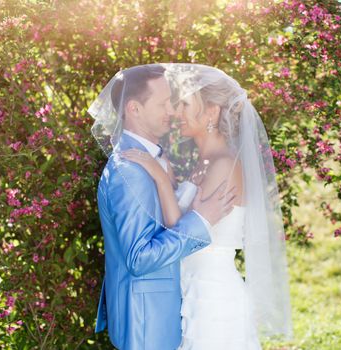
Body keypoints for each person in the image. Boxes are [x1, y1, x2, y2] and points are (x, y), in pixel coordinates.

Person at [122, 64, 293, 349]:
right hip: (194, 290)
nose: (177, 113)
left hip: (214, 298)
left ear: (212, 112)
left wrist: (160, 178)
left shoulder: (224, 164)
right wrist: (169, 180)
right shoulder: (205, 162)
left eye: (186, 104)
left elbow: (187, 233)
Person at [87, 64, 237, 350]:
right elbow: (139, 258)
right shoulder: (130, 170)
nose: (172, 111)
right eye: (163, 103)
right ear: (135, 109)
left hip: (165, 312)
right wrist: (201, 221)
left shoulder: (151, 160)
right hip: (147, 321)